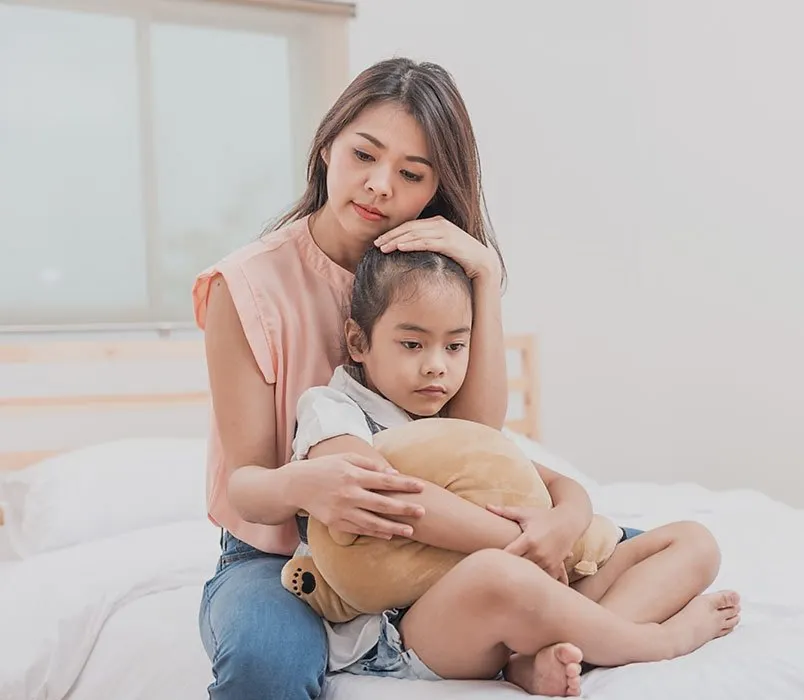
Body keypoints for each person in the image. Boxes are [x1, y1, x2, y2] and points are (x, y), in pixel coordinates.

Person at [288, 245, 741, 697]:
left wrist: (563, 524)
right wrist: (521, 546)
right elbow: (388, 495)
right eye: (412, 344)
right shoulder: (332, 411)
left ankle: (551, 652)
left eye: (455, 346)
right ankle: (655, 641)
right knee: (495, 573)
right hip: (413, 627)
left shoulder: (449, 416)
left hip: (522, 591)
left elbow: (555, 482)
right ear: (357, 341)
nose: (436, 365)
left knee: (694, 543)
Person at [194, 58, 512, 700]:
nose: (378, 186)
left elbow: (477, 436)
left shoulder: (439, 276)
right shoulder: (248, 286)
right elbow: (247, 483)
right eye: (363, 155)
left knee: (626, 558)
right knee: (265, 664)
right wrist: (314, 484)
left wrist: (484, 277)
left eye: (411, 173)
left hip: (430, 535)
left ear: (435, 189)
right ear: (325, 149)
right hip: (279, 556)